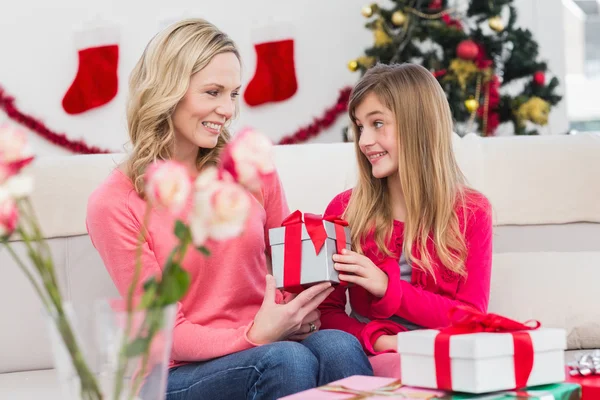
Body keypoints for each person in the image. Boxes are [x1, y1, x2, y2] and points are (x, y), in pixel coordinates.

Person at [86, 18, 373, 400]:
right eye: (212, 92)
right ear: (167, 91)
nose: (227, 109)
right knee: (288, 361)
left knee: (338, 346)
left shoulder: (249, 169)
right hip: (176, 373)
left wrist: (296, 312)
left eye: (234, 93)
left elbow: (284, 272)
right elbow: (166, 334)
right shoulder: (115, 203)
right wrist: (256, 335)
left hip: (271, 342)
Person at [320, 63, 493, 357]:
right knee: (336, 350)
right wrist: (378, 341)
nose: (364, 142)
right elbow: (326, 312)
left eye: (377, 124)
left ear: (418, 125)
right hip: (365, 356)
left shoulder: (472, 212)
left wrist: (388, 288)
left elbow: (471, 318)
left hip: (438, 357)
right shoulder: (345, 210)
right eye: (360, 127)